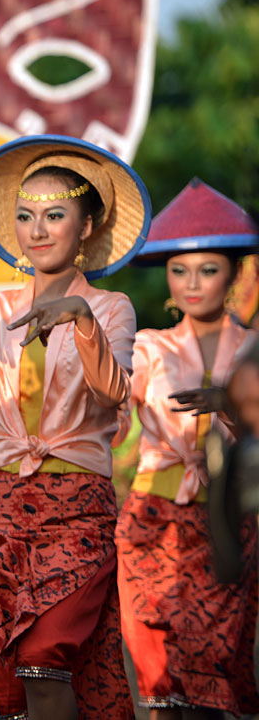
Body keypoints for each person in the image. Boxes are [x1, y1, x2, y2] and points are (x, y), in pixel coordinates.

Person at [0, 134, 149, 720]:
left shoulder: (113, 307)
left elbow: (114, 391)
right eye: (25, 216)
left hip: (76, 507)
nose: (37, 229)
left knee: (47, 655)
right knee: (3, 673)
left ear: (87, 225)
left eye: (54, 214)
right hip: (0, 507)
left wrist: (80, 319)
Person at [116, 178, 259, 718]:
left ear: (234, 275)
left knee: (216, 673)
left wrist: (232, 404)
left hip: (225, 523)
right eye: (179, 271)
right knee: (158, 683)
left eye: (208, 269)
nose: (192, 283)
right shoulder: (147, 345)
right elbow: (108, 404)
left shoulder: (252, 349)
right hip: (150, 522)